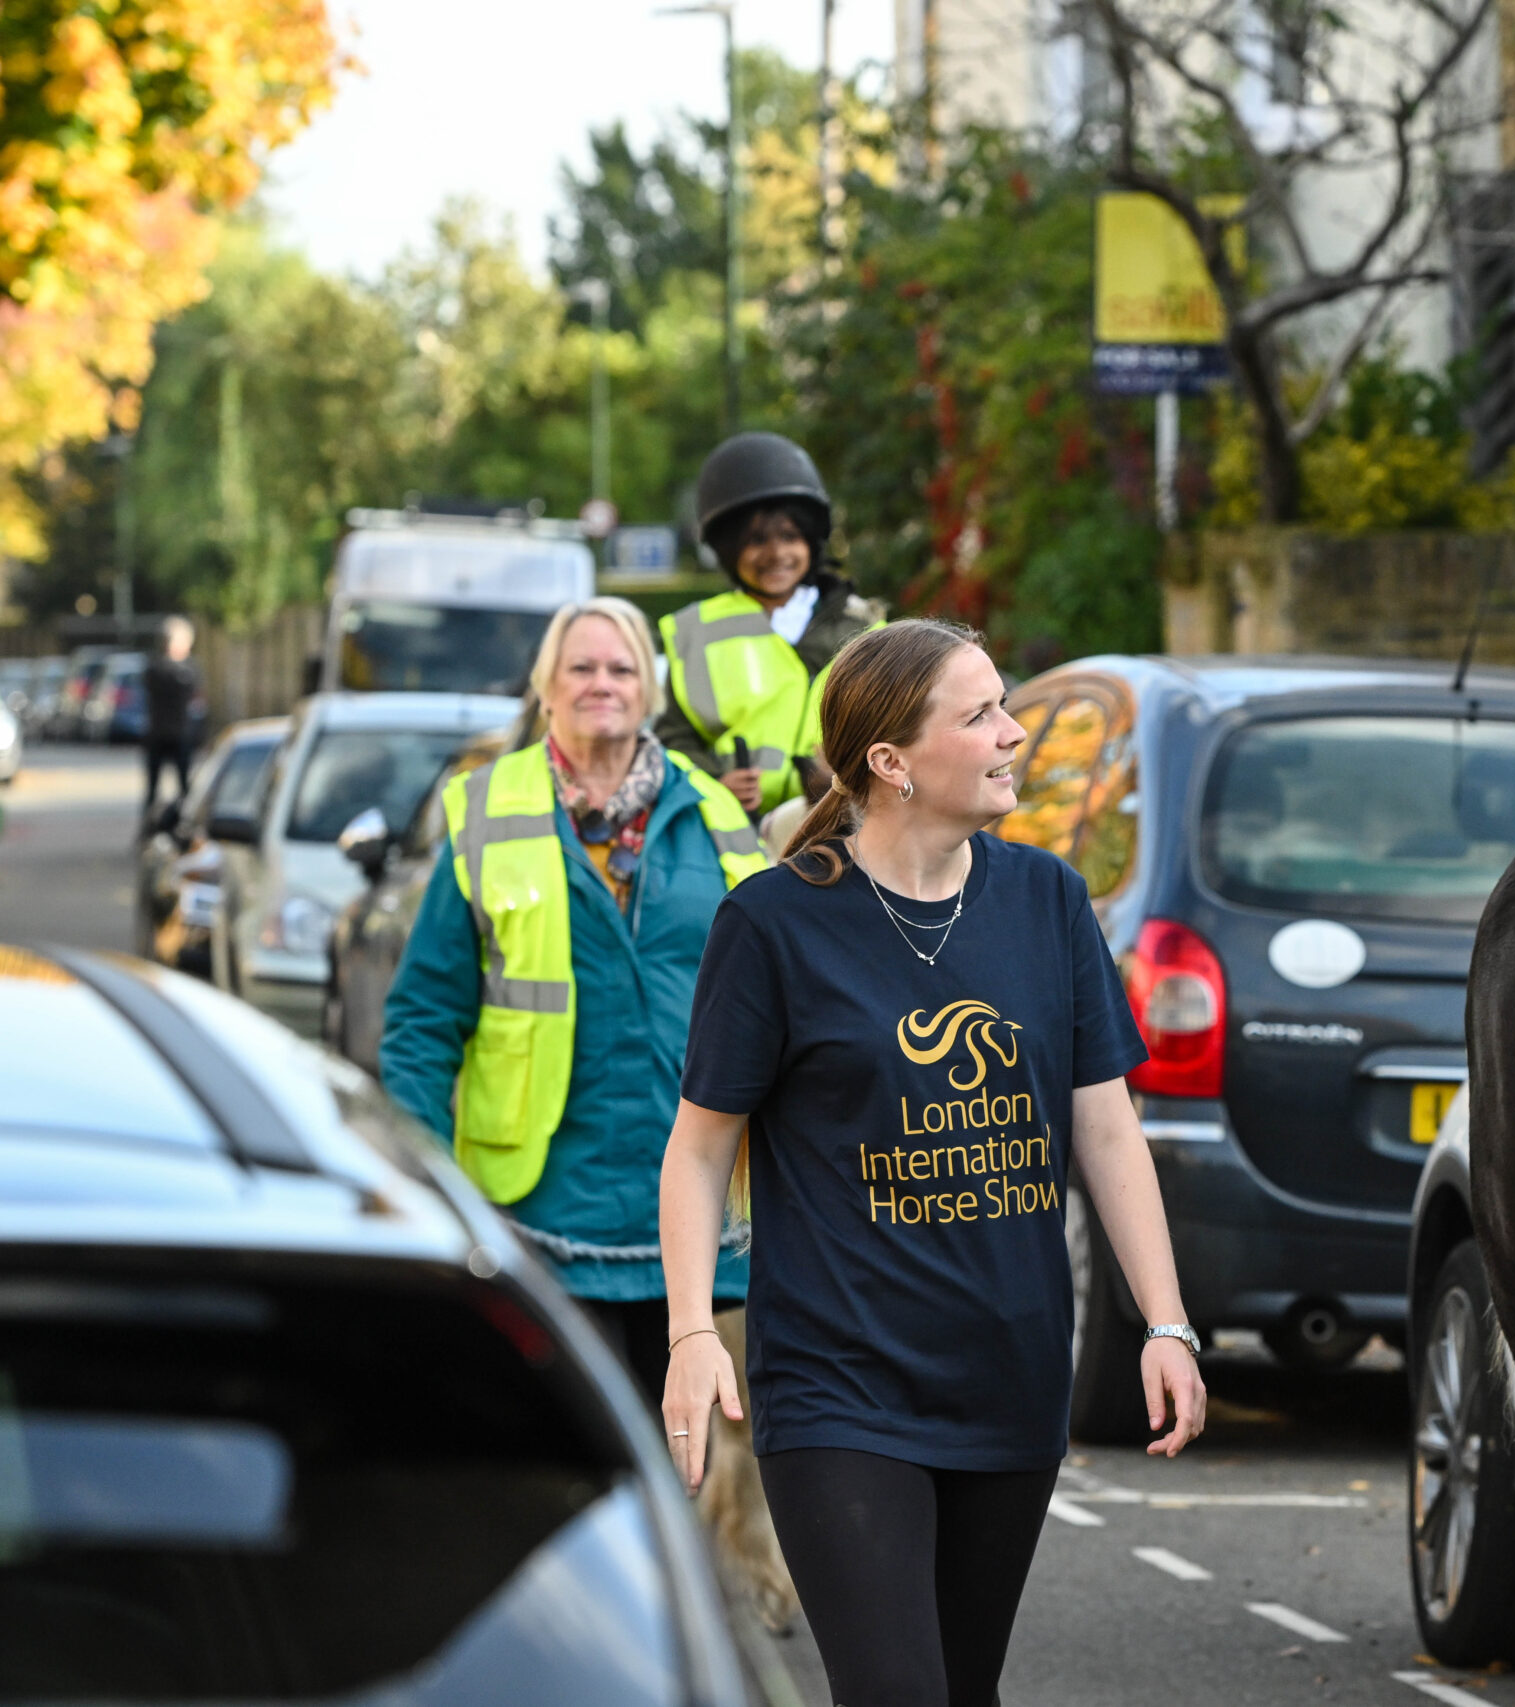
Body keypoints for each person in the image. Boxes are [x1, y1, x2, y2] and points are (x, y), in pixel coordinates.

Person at [660, 619, 1208, 1707]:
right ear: (891, 763)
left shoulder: (1047, 900)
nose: (1016, 735)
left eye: (1005, 708)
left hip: (1008, 1377)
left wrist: (1166, 1320)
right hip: (838, 1383)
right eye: (982, 715)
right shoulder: (775, 924)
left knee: (963, 1689)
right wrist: (688, 1333)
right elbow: (698, 1149)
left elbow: (1104, 1129)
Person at [379, 597, 771, 1391]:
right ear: (546, 688)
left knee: (706, 1492)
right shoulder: (490, 808)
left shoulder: (717, 813)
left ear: (649, 690)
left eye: (621, 667)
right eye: (581, 667)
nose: (603, 683)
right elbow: (422, 1020)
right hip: (542, 1215)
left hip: (703, 1220)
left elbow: (780, 1002)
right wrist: (421, 1182)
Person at [658, 431, 885, 820]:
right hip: (732, 831)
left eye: (789, 536)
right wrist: (715, 780)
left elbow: (898, 729)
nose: (776, 553)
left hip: (843, 828)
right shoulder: (697, 630)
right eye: (756, 540)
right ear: (730, 550)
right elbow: (672, 740)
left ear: (811, 542)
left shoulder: (866, 629)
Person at [141, 616, 199, 815]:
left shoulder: (190, 668)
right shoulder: (158, 668)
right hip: (160, 734)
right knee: (152, 791)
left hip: (181, 735)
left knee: (185, 788)